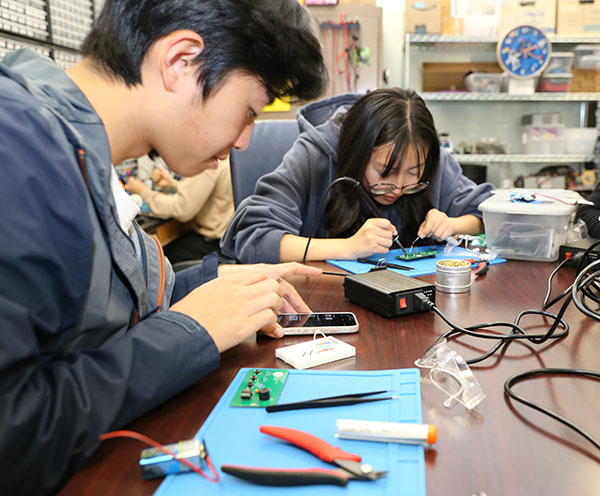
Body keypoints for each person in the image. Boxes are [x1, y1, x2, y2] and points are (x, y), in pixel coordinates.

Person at [0, 0, 326, 494]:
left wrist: (213, 285)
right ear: (181, 63)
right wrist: (192, 332)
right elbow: (14, 431)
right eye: (248, 112)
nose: (244, 141)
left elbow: (100, 314)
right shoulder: (17, 148)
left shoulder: (78, 147)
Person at [220, 88, 494, 264]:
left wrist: (452, 224)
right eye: (385, 172)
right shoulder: (314, 154)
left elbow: (487, 214)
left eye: (413, 173)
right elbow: (253, 238)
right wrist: (348, 247)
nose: (398, 187)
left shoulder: (425, 155)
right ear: (357, 153)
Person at [125, 153, 234, 263]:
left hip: (211, 245)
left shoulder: (208, 162)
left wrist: (143, 191)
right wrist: (172, 182)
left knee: (158, 258)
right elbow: (200, 191)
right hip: (226, 242)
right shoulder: (224, 157)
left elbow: (181, 209)